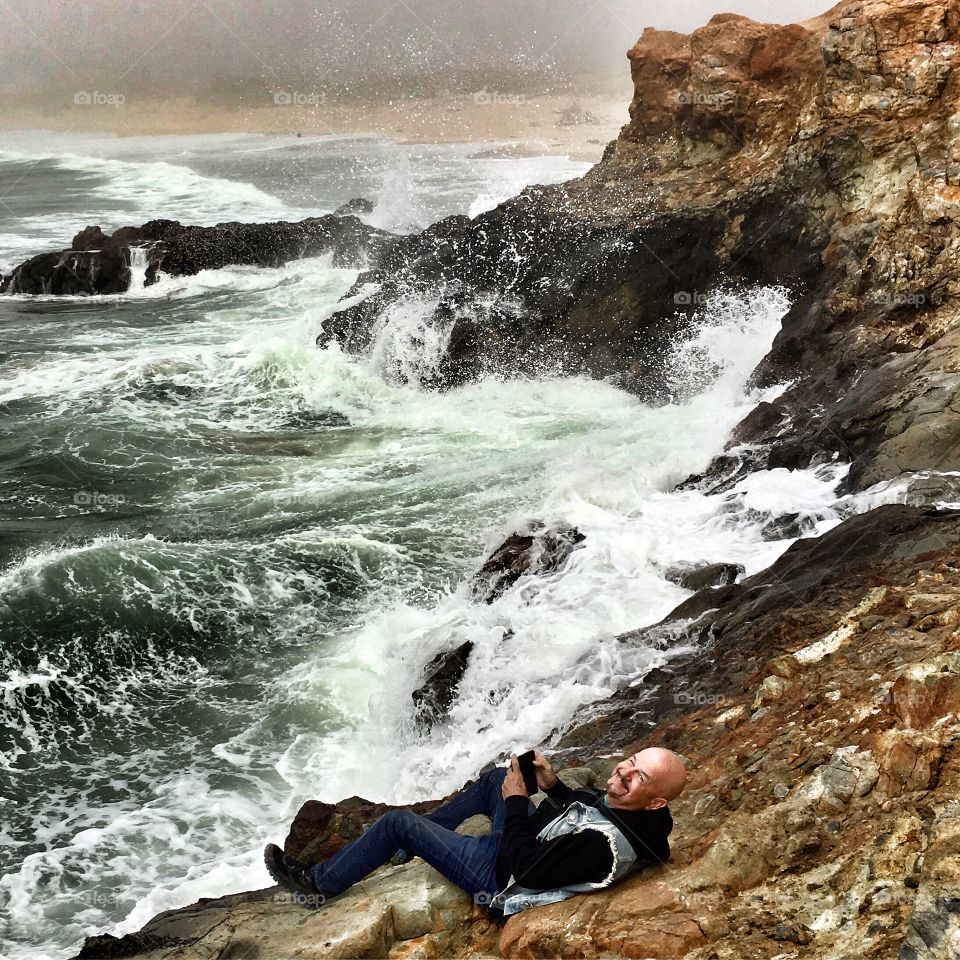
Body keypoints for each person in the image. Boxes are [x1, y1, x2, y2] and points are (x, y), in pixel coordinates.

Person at [264, 747, 687, 917]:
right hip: (525, 847)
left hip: (499, 878)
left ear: (656, 801)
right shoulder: (642, 817)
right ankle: (400, 849)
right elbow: (591, 808)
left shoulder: (602, 847)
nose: (624, 771)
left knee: (398, 822)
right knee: (496, 778)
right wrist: (553, 785)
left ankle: (318, 884)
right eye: (630, 761)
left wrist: (518, 803)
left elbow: (524, 868)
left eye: (639, 776)